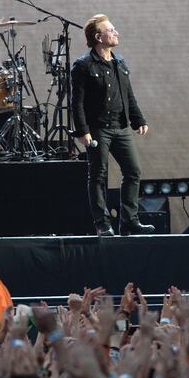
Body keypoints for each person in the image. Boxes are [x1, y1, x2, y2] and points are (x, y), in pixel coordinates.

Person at [71, 14, 153, 236]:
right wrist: (82, 131)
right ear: (98, 37)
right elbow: (76, 102)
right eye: (111, 30)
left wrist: (138, 119)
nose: (116, 32)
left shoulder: (120, 62)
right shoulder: (83, 65)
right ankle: (102, 224)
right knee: (98, 174)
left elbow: (128, 94)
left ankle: (129, 221)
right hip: (98, 128)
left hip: (121, 126)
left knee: (133, 170)